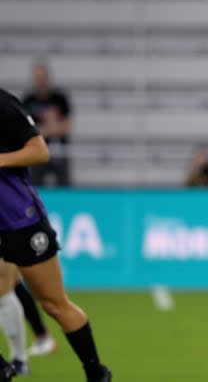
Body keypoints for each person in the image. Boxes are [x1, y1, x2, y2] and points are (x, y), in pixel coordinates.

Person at [0, 88, 112, 382]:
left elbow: (39, 150)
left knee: (53, 304)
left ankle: (96, 373)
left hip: (18, 219)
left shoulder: (2, 104)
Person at [22, 57, 73, 187]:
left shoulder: (59, 99)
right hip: (37, 151)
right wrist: (52, 127)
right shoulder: (28, 100)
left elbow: (67, 127)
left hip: (59, 151)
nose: (40, 80)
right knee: (35, 186)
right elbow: (25, 131)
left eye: (42, 76)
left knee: (64, 188)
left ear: (48, 77)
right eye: (37, 77)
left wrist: (42, 130)